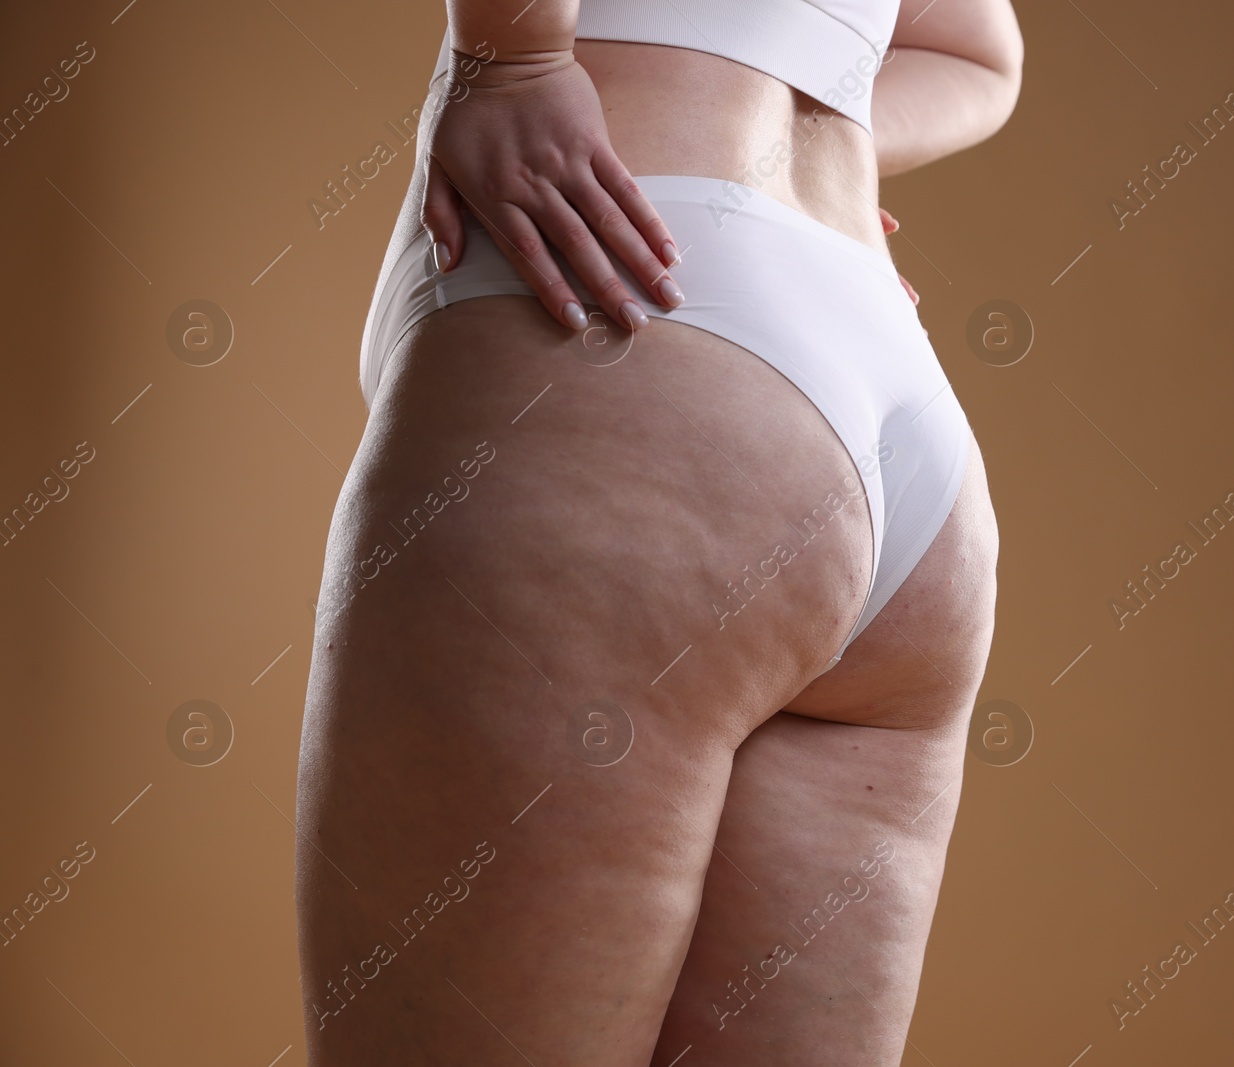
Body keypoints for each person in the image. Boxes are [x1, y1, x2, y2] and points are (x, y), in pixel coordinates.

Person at [295, 0, 1022, 1062]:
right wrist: (824, 139)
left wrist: (512, 60)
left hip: (627, 332)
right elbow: (976, 54)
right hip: (895, 421)